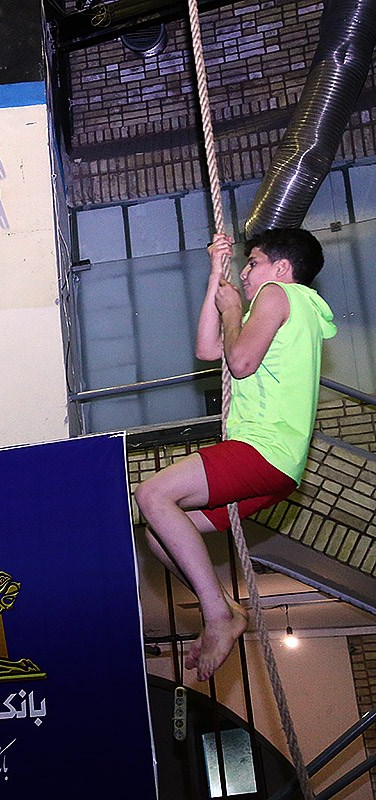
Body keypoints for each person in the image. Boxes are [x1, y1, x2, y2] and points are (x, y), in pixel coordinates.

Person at [135, 228, 335, 681]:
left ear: (281, 268)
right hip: (277, 466)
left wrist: (232, 311)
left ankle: (217, 614)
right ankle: (226, 607)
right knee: (160, 534)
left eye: (253, 262)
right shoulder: (294, 307)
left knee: (152, 494)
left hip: (264, 448)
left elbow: (240, 363)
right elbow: (209, 350)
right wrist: (215, 276)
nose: (245, 273)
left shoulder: (277, 294)